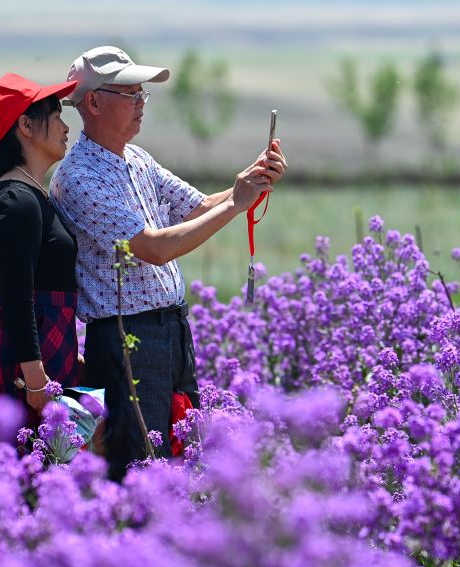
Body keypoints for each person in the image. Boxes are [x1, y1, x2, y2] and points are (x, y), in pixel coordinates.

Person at [50, 46, 287, 480]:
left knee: (179, 450)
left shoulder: (136, 159)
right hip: (128, 338)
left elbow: (196, 208)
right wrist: (237, 203)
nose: (142, 104)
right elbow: (153, 248)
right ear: (95, 102)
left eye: (143, 94)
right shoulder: (79, 176)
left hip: (169, 330)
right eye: (131, 94)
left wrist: (248, 182)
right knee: (141, 463)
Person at [0, 73, 82, 431]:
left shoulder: (29, 195)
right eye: (55, 117)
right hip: (25, 372)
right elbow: (18, 299)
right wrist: (36, 380)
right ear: (26, 126)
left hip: (38, 361)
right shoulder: (17, 202)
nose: (66, 128)